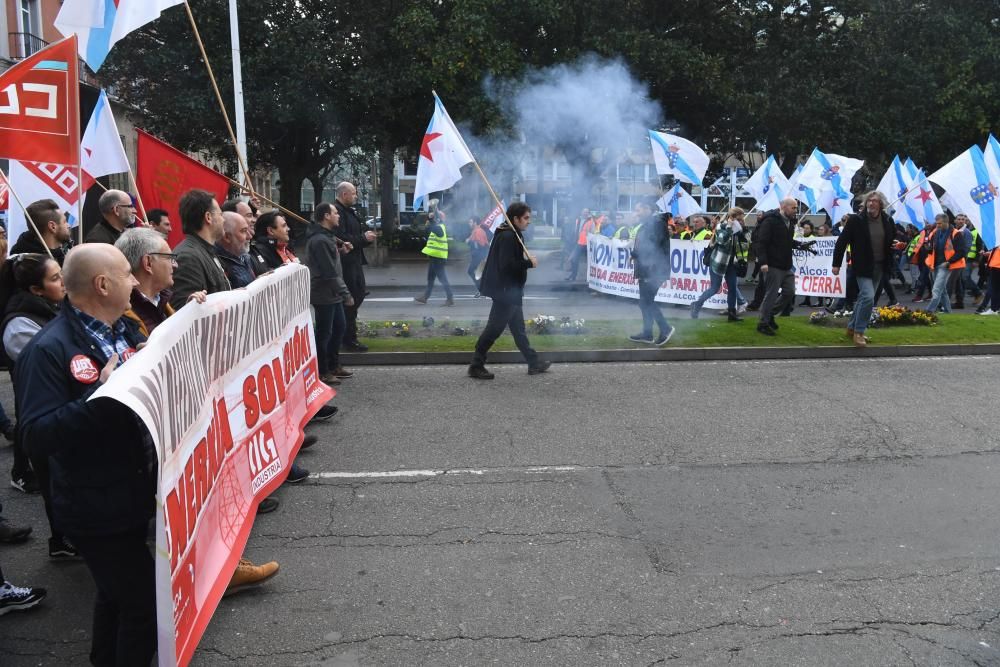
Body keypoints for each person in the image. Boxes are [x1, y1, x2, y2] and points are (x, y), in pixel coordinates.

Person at [114, 229, 282, 591]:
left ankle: (220, 561)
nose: (174, 264)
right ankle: (203, 574)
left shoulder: (162, 302)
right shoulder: (127, 313)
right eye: (167, 258)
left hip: (184, 409)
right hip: (161, 424)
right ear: (148, 263)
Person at [16, 244, 154, 664]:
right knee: (144, 608)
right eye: (127, 274)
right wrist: (102, 396)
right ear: (102, 284)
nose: (134, 281)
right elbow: (36, 436)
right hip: (94, 505)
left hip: (128, 494)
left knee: (115, 597)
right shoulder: (48, 349)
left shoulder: (122, 330)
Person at [0, 254, 69, 563]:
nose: (63, 282)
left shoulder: (56, 308)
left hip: (61, 404)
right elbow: (50, 362)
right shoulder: (18, 323)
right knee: (54, 478)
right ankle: (62, 539)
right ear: (35, 289)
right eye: (55, 278)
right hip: (43, 408)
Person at [469, 203, 550, 379]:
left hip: (511, 291)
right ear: (515, 219)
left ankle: (533, 362)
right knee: (494, 329)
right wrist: (529, 263)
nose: (529, 221)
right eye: (526, 218)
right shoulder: (507, 236)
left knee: (519, 330)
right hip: (505, 292)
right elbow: (506, 266)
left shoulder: (512, 234)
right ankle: (476, 365)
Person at [832, 191, 897, 347]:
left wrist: (896, 244)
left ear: (881, 204)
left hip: (880, 265)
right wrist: (836, 264)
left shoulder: (888, 220)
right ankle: (859, 332)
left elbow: (892, 239)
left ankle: (851, 328)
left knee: (864, 299)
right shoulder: (856, 220)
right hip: (862, 266)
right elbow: (842, 242)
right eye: (869, 201)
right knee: (868, 297)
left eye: (874, 201)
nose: (871, 204)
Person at [306, 202, 355, 385]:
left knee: (339, 329)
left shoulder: (326, 237)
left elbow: (329, 262)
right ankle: (322, 370)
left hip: (331, 292)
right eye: (335, 213)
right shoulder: (319, 240)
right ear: (326, 216)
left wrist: (341, 251)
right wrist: (346, 294)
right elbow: (328, 272)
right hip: (324, 293)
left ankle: (334, 365)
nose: (338, 215)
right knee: (325, 333)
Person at [755, 197, 817, 336]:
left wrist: (800, 245)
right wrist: (763, 262)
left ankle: (770, 314)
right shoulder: (770, 221)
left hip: (786, 264)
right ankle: (763, 324)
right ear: (783, 206)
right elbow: (762, 243)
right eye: (793, 207)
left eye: (796, 208)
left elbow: (787, 241)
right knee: (771, 294)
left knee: (789, 292)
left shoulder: (790, 221)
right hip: (772, 264)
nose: (796, 210)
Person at [169, 189, 231, 309]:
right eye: (220, 214)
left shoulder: (206, 251)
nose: (224, 220)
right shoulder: (188, 257)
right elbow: (184, 311)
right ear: (208, 217)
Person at [333, 182, 377, 352]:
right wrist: (363, 238)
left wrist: (363, 239)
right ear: (344, 194)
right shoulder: (338, 212)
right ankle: (348, 338)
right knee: (350, 300)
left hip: (355, 262)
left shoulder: (347, 211)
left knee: (357, 296)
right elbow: (343, 238)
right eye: (353, 193)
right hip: (346, 264)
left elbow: (352, 237)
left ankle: (347, 335)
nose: (355, 196)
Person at [690, 207, 747, 322]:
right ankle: (697, 304)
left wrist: (743, 230)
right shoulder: (722, 226)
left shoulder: (739, 229)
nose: (742, 221)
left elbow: (745, 242)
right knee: (715, 288)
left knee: (732, 288)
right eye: (740, 219)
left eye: (742, 219)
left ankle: (732, 314)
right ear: (733, 217)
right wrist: (730, 227)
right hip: (718, 262)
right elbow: (721, 241)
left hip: (731, 263)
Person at [628, 211, 675, 345]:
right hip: (646, 268)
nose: (637, 214)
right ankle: (647, 334)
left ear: (647, 209)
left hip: (653, 269)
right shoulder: (649, 224)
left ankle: (665, 328)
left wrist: (635, 253)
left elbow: (652, 245)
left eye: (638, 211)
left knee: (646, 301)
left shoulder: (657, 223)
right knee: (644, 302)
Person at [923, 213, 968, 315]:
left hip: (946, 265)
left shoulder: (956, 234)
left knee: (936, 289)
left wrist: (949, 262)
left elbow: (962, 251)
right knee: (942, 290)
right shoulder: (935, 232)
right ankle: (948, 312)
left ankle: (928, 311)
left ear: (946, 222)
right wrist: (928, 251)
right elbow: (932, 249)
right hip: (935, 265)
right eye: (937, 223)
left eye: (939, 223)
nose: (937, 225)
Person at [11, 199, 73, 264]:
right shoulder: (28, 266)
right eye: (65, 221)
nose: (68, 225)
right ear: (52, 227)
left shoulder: (65, 251)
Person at [415, 209, 454, 306]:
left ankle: (450, 298)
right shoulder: (436, 227)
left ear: (438, 219)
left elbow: (432, 228)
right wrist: (430, 218)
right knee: (431, 278)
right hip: (434, 257)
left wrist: (431, 219)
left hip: (439, 258)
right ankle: (425, 297)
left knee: (442, 279)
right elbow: (427, 229)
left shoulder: (440, 228)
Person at [216, 211, 258, 289]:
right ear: (227, 237)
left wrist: (259, 281)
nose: (249, 236)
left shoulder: (245, 257)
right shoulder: (216, 264)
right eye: (244, 231)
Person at [565, 208, 597, 281]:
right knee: (574, 259)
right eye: (584, 212)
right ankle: (573, 276)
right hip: (579, 243)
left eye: (587, 212)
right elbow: (576, 231)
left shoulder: (591, 221)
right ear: (581, 212)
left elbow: (593, 233)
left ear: (588, 213)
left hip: (588, 244)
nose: (585, 213)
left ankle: (592, 278)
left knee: (591, 262)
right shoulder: (578, 220)